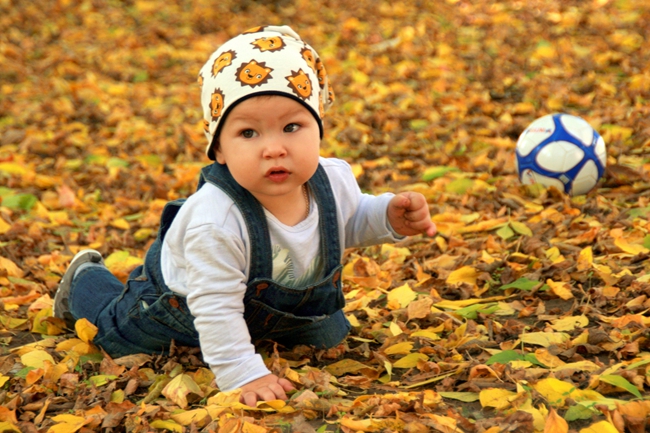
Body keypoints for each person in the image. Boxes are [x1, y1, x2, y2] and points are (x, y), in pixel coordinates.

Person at [53, 25, 436, 406]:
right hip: (177, 309)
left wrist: (386, 216)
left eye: (291, 127)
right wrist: (243, 372)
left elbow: (346, 221)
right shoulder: (217, 219)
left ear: (318, 128)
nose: (273, 148)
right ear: (219, 149)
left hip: (278, 312)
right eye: (249, 133)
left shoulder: (332, 179)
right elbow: (215, 305)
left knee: (330, 335)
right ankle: (86, 280)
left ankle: (247, 340)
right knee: (115, 333)